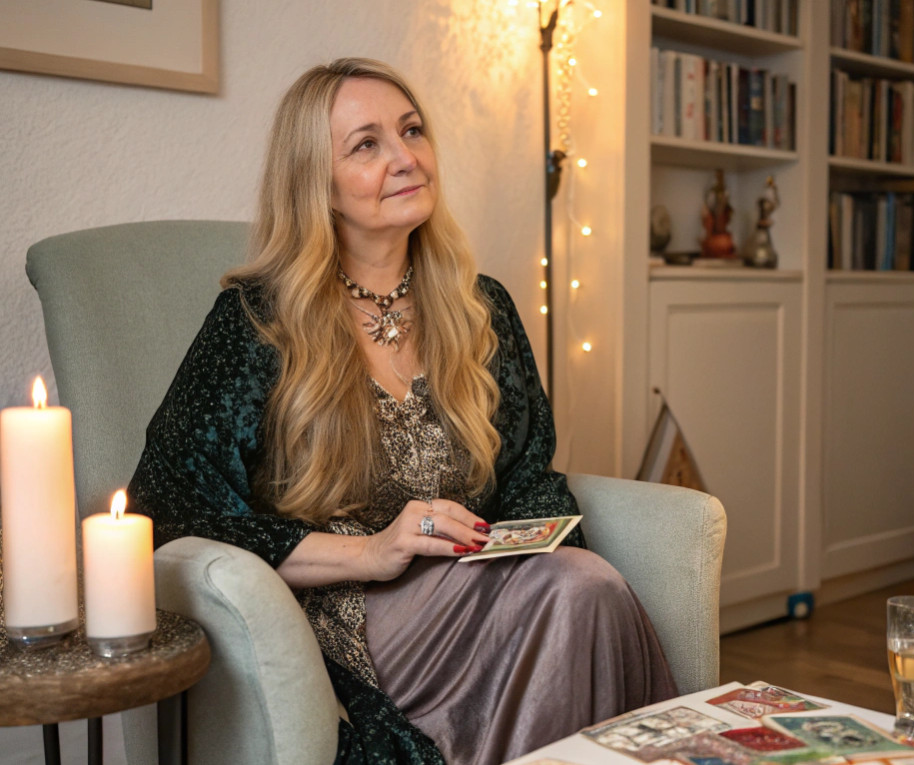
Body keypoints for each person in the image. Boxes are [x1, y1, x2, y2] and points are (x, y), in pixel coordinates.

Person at [127, 57, 677, 765]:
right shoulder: (256, 321)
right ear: (317, 184)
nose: (406, 156)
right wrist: (372, 550)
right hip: (350, 617)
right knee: (579, 592)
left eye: (412, 131)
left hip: (489, 590)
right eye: (367, 144)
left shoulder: (482, 306)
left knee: (584, 585)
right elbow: (165, 508)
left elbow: (528, 475)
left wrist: (522, 549)